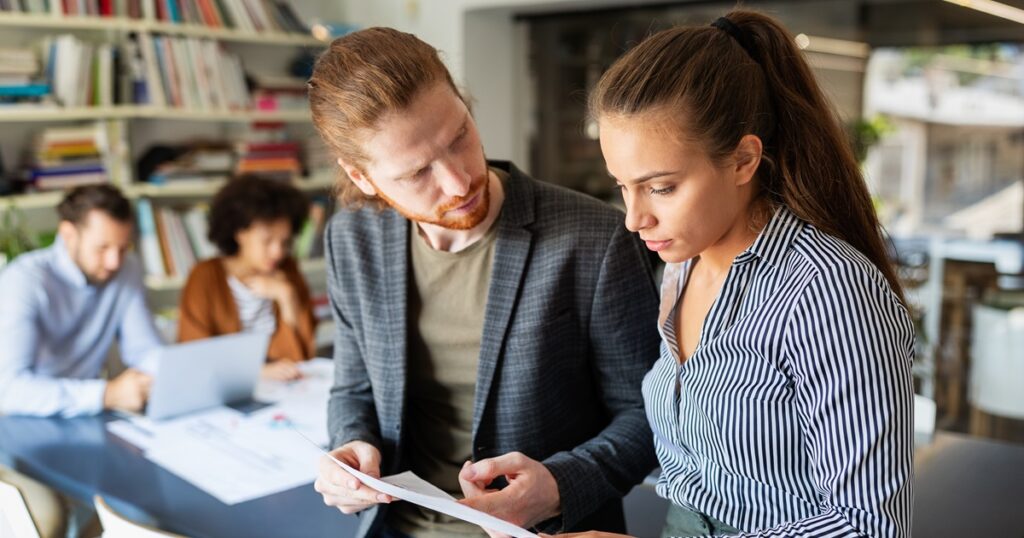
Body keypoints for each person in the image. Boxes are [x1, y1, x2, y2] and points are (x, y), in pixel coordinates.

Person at [548, 10, 915, 538]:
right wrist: (555, 481)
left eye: (661, 187)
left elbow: (868, 527)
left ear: (743, 160)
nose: (634, 218)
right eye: (623, 186)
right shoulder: (682, 267)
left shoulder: (829, 292)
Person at [307, 28, 661, 537]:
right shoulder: (350, 239)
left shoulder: (596, 238)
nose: (458, 181)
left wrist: (557, 486)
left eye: (459, 137)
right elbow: (353, 388)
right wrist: (348, 450)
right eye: (417, 173)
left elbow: (650, 415)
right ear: (362, 178)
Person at [0, 184, 163, 417]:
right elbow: (8, 389)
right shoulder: (23, 280)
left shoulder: (128, 268)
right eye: (102, 248)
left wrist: (161, 375)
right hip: (30, 416)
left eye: (122, 248)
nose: (114, 262)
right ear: (68, 234)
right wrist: (107, 394)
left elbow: (144, 349)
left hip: (90, 413)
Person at [177, 175, 317, 381]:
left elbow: (301, 356)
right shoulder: (204, 276)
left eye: (284, 242)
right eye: (267, 241)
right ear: (240, 233)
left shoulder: (288, 270)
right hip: (227, 388)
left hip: (283, 387)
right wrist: (256, 373)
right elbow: (194, 356)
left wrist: (286, 296)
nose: (278, 252)